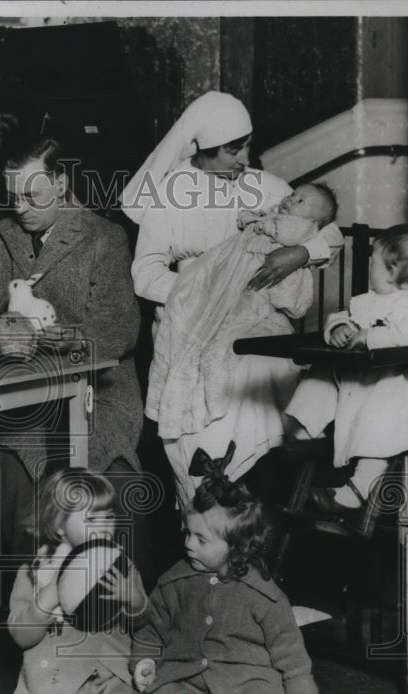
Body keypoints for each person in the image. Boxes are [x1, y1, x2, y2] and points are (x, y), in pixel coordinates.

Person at [120, 90, 345, 508]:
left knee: (263, 365)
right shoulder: (169, 193)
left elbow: (326, 228)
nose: (245, 158)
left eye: (247, 145)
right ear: (202, 148)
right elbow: (146, 273)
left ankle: (252, 489)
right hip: (191, 313)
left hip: (256, 313)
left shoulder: (266, 187)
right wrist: (204, 290)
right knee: (206, 396)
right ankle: (204, 500)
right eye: (233, 149)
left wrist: (300, 253)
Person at [0, 135, 149, 582]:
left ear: (60, 182)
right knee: (9, 474)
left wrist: (48, 337)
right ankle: (26, 602)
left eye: (32, 195)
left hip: (97, 398)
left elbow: (118, 330)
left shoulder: (104, 237)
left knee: (110, 484)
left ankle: (103, 602)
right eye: (12, 195)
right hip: (18, 399)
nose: (20, 206)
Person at [129, 443, 357, 694]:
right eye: (187, 533)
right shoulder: (173, 581)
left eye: (201, 539)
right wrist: (144, 661)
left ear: (236, 547)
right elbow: (151, 628)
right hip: (185, 677)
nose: (188, 545)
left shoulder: (261, 591)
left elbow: (287, 645)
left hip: (247, 681)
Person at [146, 183, 338, 503]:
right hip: (200, 294)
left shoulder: (268, 198)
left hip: (248, 311)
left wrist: (301, 252)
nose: (289, 199)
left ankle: (221, 472)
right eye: (293, 196)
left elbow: (331, 233)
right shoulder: (175, 190)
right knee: (185, 353)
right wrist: (195, 289)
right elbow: (147, 272)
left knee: (228, 362)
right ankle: (199, 484)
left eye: (299, 199)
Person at [284, 224, 408, 520]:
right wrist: (339, 328)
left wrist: (370, 337)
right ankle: (303, 432)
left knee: (380, 414)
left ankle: (357, 490)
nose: (368, 265)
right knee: (322, 371)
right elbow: (345, 316)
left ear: (394, 271)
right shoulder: (373, 299)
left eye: (373, 260)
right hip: (368, 378)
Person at [7, 468, 166, 694]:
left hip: (111, 664)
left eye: (109, 517)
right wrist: (47, 599)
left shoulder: (120, 564)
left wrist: (133, 599)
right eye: (92, 519)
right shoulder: (37, 571)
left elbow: (143, 621)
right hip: (60, 671)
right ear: (58, 525)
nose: (103, 527)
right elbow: (21, 634)